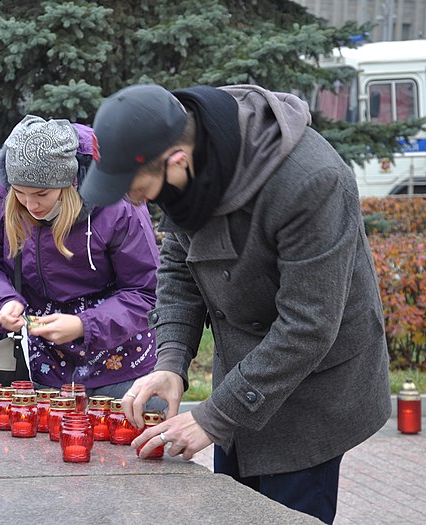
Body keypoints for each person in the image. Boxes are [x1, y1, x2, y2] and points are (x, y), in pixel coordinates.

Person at [79, 83, 391, 524]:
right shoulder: (196, 150)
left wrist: (214, 416)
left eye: (137, 188)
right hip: (245, 381)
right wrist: (170, 362)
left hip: (313, 393)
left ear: (177, 160)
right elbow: (179, 266)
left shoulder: (312, 180)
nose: (133, 200)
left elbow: (309, 325)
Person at [0, 115, 163, 402]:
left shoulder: (117, 205)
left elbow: (146, 292)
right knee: (53, 441)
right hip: (50, 368)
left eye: (42, 193)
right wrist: (1, 302)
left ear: (70, 183)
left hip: (124, 366)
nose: (30, 205)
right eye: (20, 193)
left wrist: (84, 325)